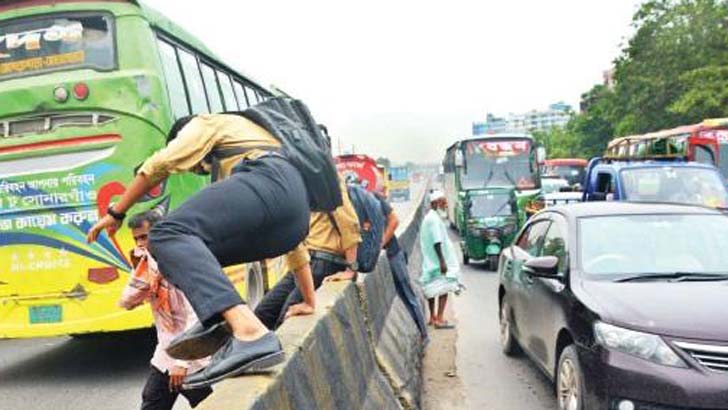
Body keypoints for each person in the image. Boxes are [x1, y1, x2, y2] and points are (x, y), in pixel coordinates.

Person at [87, 114, 317, 389]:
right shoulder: (242, 161)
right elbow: (295, 248)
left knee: (165, 236)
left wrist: (116, 212)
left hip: (269, 178)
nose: (194, 169)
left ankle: (250, 332)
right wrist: (309, 301)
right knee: (193, 248)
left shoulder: (206, 123)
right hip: (294, 218)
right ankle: (218, 320)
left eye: (194, 166)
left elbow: (158, 164)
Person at [120, 211, 213, 410]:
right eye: (136, 239)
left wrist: (182, 362)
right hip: (165, 353)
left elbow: (195, 315)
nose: (139, 244)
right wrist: (140, 269)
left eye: (144, 237)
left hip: (190, 356)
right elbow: (126, 301)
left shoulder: (182, 264)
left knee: (207, 402)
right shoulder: (150, 268)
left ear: (160, 233)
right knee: (152, 401)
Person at [254, 177, 361, 329]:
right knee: (262, 314)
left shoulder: (327, 178)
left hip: (323, 262)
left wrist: (351, 269)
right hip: (303, 262)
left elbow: (349, 223)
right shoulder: (299, 182)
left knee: (287, 321)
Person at [419, 190, 463, 329]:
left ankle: (432, 317)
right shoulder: (433, 220)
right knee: (444, 288)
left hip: (430, 261)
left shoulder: (430, 218)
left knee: (432, 289)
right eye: (443, 202)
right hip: (438, 262)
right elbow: (437, 242)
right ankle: (439, 318)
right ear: (435, 203)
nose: (445, 205)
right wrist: (442, 262)